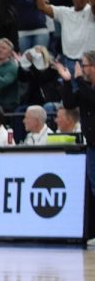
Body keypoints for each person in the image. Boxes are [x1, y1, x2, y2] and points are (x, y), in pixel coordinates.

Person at [56, 51, 95, 196]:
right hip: (91, 146)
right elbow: (69, 103)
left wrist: (79, 79)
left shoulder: (85, 87)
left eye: (84, 65)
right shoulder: (86, 88)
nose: (82, 69)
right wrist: (67, 81)